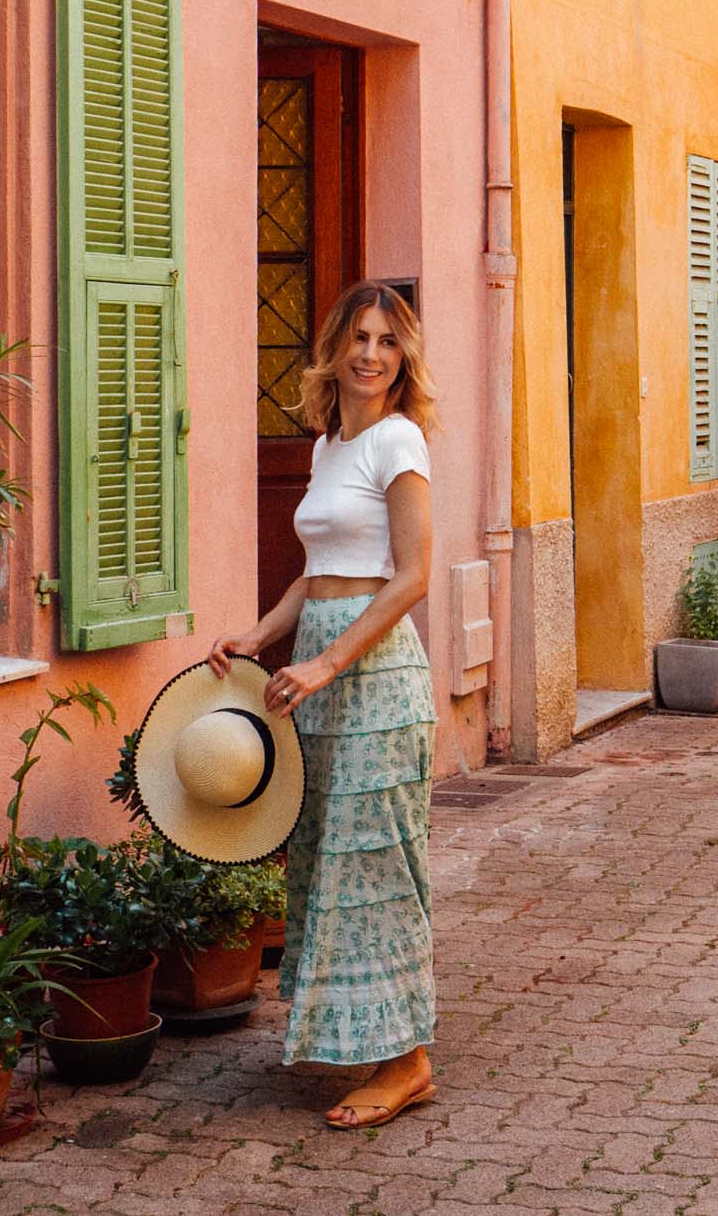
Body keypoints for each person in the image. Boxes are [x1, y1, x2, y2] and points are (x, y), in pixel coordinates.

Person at [208, 280, 437, 1130]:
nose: (373, 354)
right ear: (336, 348)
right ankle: (366, 1039)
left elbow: (409, 576)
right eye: (361, 337)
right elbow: (319, 572)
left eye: (389, 340)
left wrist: (330, 663)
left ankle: (408, 1061)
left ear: (402, 357)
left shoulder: (398, 441)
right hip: (320, 668)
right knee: (329, 859)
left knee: (376, 864)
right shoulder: (328, 446)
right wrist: (259, 633)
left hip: (374, 676)